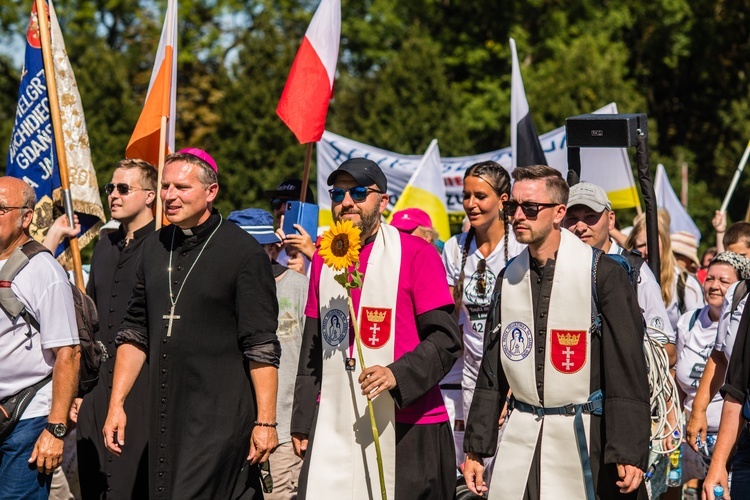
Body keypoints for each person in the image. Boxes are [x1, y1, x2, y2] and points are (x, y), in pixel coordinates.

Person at [463, 165, 650, 499]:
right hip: (522, 435)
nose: (518, 215)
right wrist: (477, 446)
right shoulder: (509, 277)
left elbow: (627, 367)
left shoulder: (602, 274)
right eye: (513, 207)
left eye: (530, 208)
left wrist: (628, 448)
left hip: (584, 436)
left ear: (558, 213)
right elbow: (492, 368)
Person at [102, 149, 280, 499]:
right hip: (165, 411)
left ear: (210, 192)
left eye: (181, 187)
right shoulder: (153, 248)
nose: (169, 196)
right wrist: (116, 403)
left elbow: (261, 345)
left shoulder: (244, 253)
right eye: (166, 186)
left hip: (221, 415)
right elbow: (135, 332)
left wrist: (266, 422)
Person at [292, 157, 462, 499]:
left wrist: (396, 373)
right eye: (338, 194)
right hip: (336, 420)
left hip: (409, 422)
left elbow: (445, 340)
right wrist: (301, 420)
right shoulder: (325, 260)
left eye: (358, 192)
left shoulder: (416, 252)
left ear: (383, 201)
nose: (347, 202)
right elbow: (313, 347)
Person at [74, 159, 157, 499]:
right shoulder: (105, 244)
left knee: (131, 484)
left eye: (124, 188)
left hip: (142, 384)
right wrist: (79, 391)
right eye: (111, 188)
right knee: (92, 484)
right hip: (95, 388)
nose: (114, 195)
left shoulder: (163, 245)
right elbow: (89, 321)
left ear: (150, 195)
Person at [0, 177, 80, 499]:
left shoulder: (43, 271)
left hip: (28, 421)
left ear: (27, 217)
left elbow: (68, 352)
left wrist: (55, 429)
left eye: (1, 208)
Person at [441, 161, 524, 469]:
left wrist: (512, 385)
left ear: (503, 200)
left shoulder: (519, 245)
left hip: (515, 372)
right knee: (476, 463)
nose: (470, 204)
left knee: (507, 467)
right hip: (472, 372)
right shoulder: (454, 248)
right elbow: (447, 315)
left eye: (480, 196)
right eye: (466, 196)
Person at [228, 207, 308, 499]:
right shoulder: (220, 289)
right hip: (230, 431)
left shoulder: (300, 288)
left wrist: (304, 423)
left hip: (282, 432)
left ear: (274, 248)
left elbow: (314, 363)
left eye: (257, 247)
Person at [563, 181, 675, 358]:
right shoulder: (556, 269)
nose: (581, 227)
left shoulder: (636, 271)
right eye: (572, 218)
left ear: (611, 220)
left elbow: (667, 349)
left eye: (590, 216)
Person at [672, 253, 743, 493]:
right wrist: (682, 421)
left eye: (723, 280)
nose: (714, 286)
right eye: (710, 278)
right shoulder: (687, 323)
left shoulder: (738, 318)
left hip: (735, 440)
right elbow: (680, 378)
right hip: (693, 440)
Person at [624, 210, 704, 331]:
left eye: (652, 244)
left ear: (665, 244)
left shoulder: (685, 283)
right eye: (641, 245)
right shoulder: (626, 280)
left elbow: (698, 330)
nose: (647, 251)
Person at [267, 178, 317, 275]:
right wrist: (269, 260)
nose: (281, 209)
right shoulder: (269, 247)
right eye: (276, 202)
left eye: (289, 204)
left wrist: (303, 280)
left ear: (307, 207)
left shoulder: (326, 245)